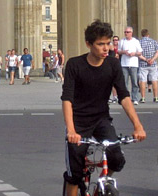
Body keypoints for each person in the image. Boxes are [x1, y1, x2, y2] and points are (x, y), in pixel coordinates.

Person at [62, 20, 146, 196]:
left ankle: (103, 183)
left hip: (101, 119)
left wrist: (137, 126)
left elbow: (124, 95)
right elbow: (67, 99)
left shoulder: (113, 65)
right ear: (88, 44)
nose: (106, 48)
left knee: (116, 158)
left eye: (108, 43)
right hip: (79, 122)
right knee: (74, 174)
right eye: (100, 44)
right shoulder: (74, 65)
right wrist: (71, 130)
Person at [118, 26, 142, 105]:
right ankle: (125, 98)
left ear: (131, 33)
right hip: (124, 64)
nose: (126, 33)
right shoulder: (122, 41)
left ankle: (135, 98)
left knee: (134, 82)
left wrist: (134, 53)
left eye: (127, 32)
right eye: (125, 32)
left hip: (133, 64)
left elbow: (140, 52)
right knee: (124, 82)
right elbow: (118, 51)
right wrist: (124, 52)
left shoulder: (135, 41)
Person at [138, 29, 158, 103]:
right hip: (153, 64)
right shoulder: (154, 41)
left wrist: (146, 59)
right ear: (148, 34)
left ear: (142, 35)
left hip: (143, 64)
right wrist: (152, 59)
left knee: (142, 81)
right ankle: (156, 97)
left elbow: (139, 54)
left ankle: (143, 98)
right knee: (154, 80)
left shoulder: (139, 42)